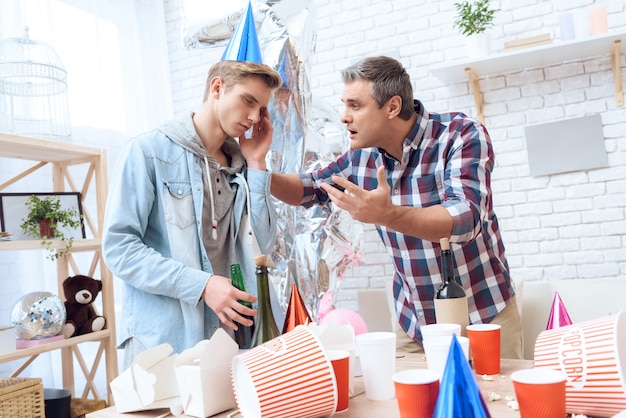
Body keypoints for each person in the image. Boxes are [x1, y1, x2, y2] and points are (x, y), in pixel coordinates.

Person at [269, 56, 523, 359]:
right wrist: (255, 169)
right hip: (415, 323)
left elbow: (465, 218)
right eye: (344, 104)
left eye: (355, 105)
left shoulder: (460, 134)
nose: (343, 117)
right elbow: (309, 188)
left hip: (483, 314)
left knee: (496, 403)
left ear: (392, 106)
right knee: (412, 406)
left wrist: (388, 215)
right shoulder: (360, 157)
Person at [103, 60, 283, 367]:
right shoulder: (147, 151)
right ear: (217, 88)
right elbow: (119, 249)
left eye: (261, 108)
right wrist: (202, 285)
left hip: (229, 343)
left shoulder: (239, 168)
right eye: (248, 101)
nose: (253, 118)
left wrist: (256, 164)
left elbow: (263, 247)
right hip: (165, 347)